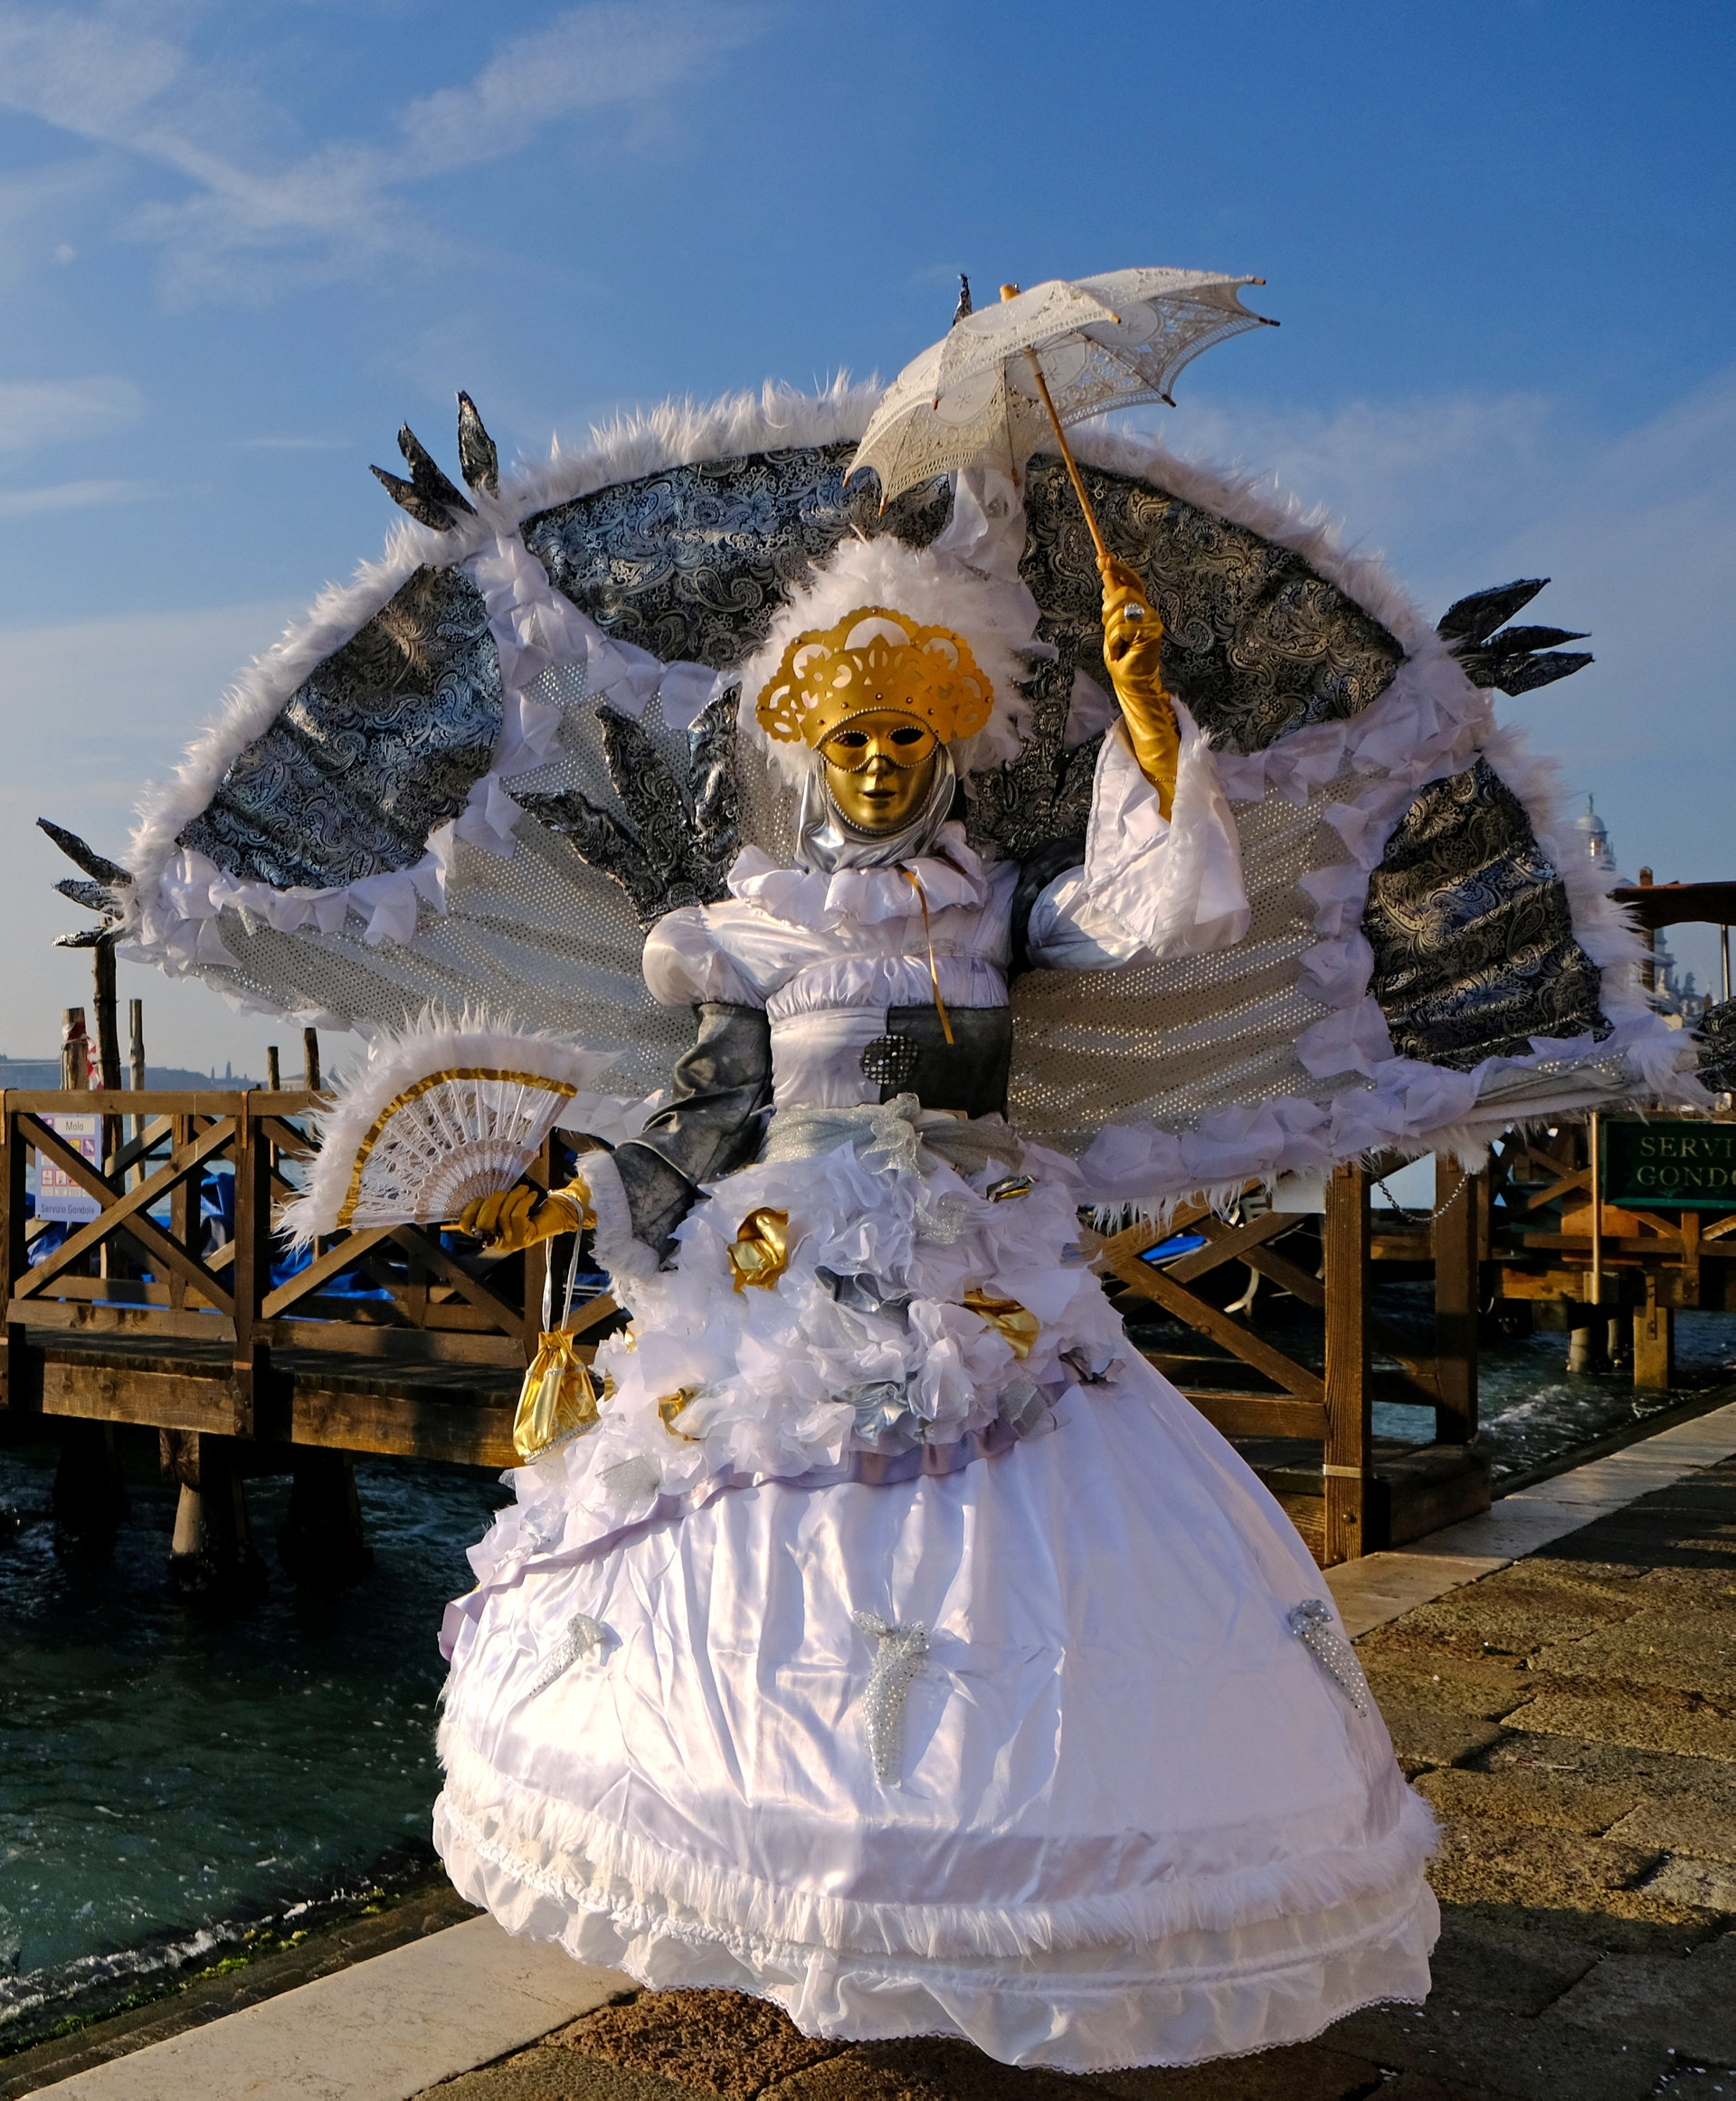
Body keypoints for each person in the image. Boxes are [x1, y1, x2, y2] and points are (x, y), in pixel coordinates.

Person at [432, 528, 1434, 2072]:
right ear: (812, 755)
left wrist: (1145, 711)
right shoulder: (754, 930)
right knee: (790, 1570)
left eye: (910, 737)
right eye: (855, 740)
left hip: (985, 1274)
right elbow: (710, 1114)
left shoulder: (994, 906)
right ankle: (796, 1887)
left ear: (945, 749)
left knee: (1017, 1569)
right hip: (788, 1290)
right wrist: (581, 1193)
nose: (884, 764)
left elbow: (1166, 911)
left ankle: (999, 1902)